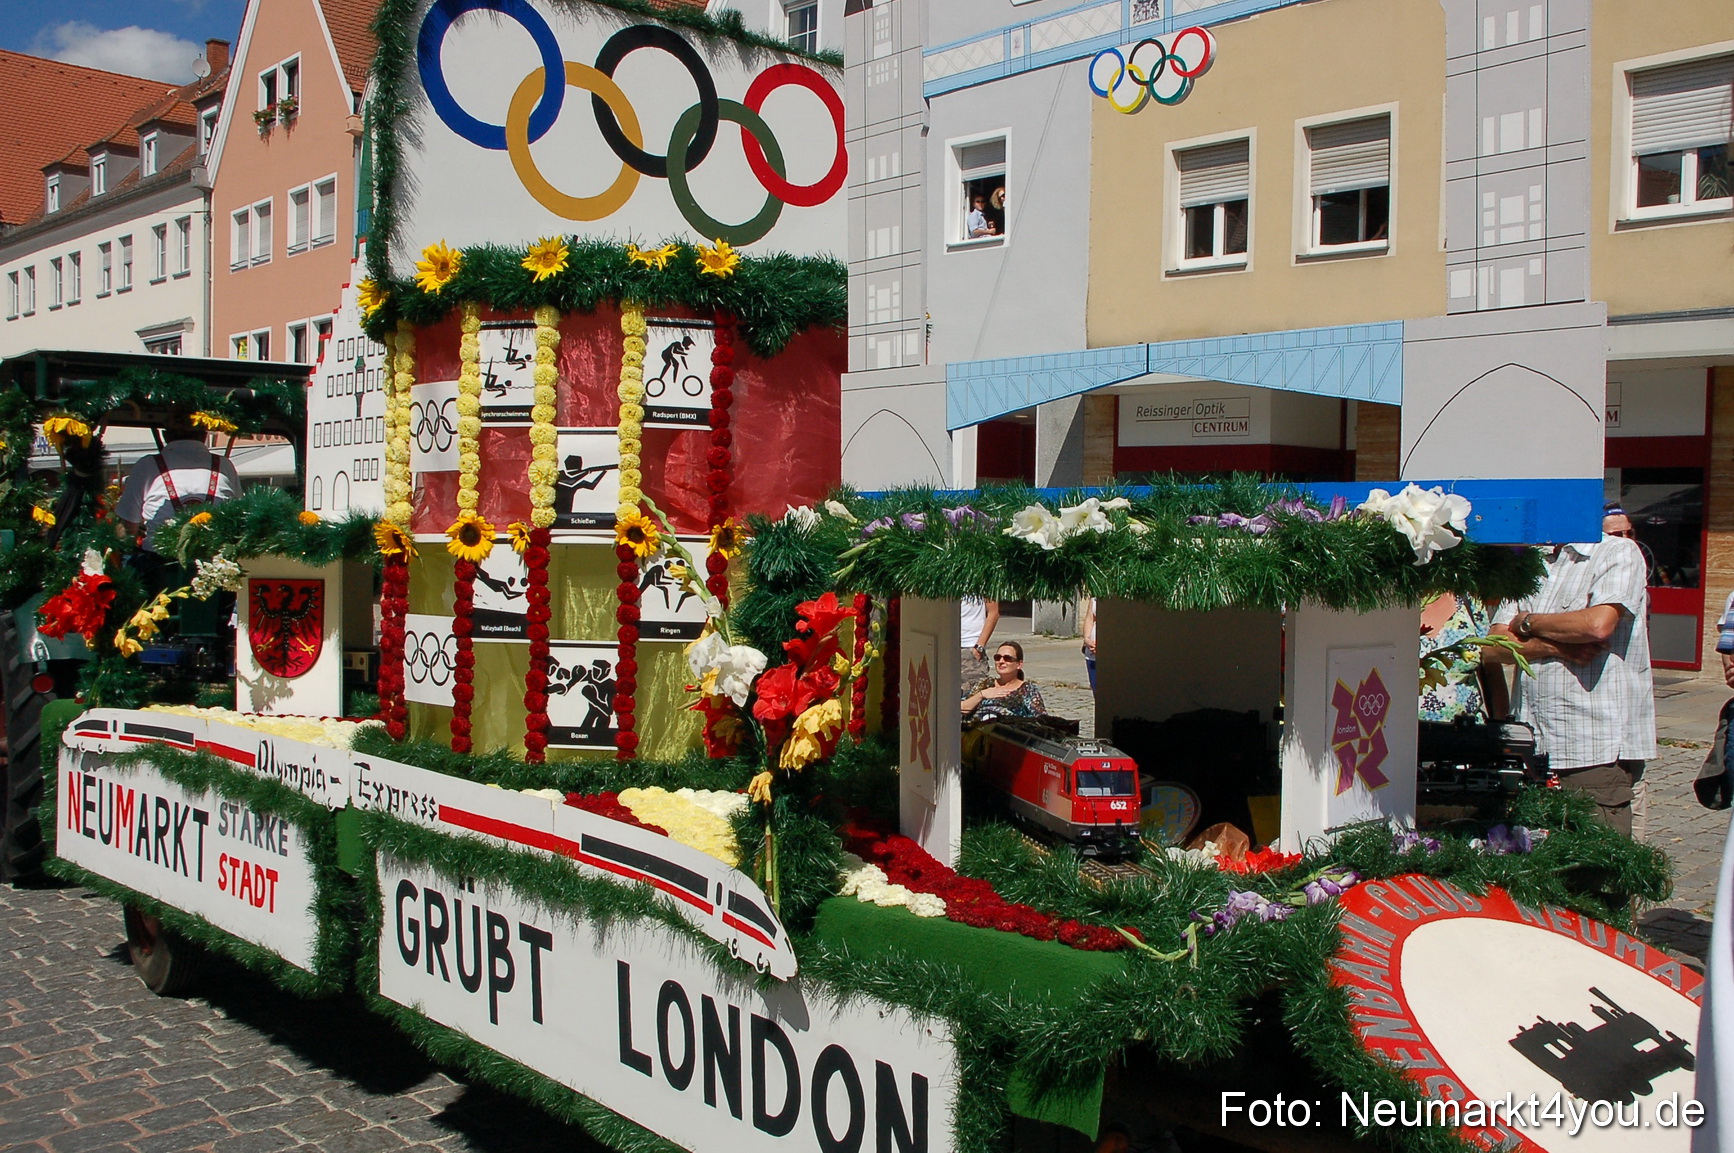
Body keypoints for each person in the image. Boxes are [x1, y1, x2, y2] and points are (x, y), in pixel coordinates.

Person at [1485, 532, 1656, 835]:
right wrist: (1557, 647)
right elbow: (1494, 647)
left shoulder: (1616, 551)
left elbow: (1597, 624)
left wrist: (1528, 623)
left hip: (1593, 750)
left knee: (1595, 869)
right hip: (1532, 746)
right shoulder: (1531, 560)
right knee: (1534, 866)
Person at [116, 419, 241, 553]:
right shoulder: (224, 465)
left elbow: (128, 525)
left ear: (166, 435)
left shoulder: (147, 465)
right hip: (214, 561)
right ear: (204, 436)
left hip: (159, 562)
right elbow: (239, 513)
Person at [1417, 592, 1495, 722]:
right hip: (1402, 734)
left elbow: (1492, 673)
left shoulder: (1470, 602)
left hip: (1465, 733)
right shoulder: (1390, 602)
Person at [962, 641, 1046, 720]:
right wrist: (981, 695)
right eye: (997, 657)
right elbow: (960, 708)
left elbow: (1041, 720)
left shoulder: (1027, 690)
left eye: (1007, 658)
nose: (1001, 661)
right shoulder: (985, 684)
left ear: (1019, 664)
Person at [960, 596, 999, 686]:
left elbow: (993, 613)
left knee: (973, 693)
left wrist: (979, 647)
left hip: (970, 646)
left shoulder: (982, 582)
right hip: (944, 645)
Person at [1081, 595, 1098, 692]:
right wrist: (1087, 639)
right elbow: (1090, 619)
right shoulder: (1096, 596)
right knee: (1096, 689)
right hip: (1092, 655)